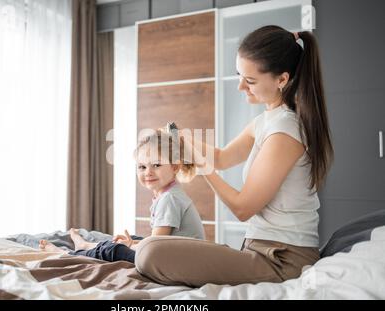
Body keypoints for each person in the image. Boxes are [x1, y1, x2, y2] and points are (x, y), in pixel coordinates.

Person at [135, 25, 334, 287]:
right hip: (259, 250)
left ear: (282, 80)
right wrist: (181, 136)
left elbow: (243, 208)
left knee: (151, 251)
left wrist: (203, 166)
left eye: (250, 80)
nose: (241, 86)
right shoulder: (265, 121)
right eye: (239, 75)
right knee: (149, 247)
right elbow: (222, 157)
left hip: (283, 260)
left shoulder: (286, 131)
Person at [39, 124, 205, 263]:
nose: (148, 172)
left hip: (173, 263)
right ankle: (87, 246)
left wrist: (130, 245)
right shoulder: (170, 193)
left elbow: (155, 245)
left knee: (115, 250)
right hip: (173, 257)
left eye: (156, 165)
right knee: (127, 240)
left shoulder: (170, 199)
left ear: (175, 167)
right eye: (142, 167)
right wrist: (132, 242)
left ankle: (66, 255)